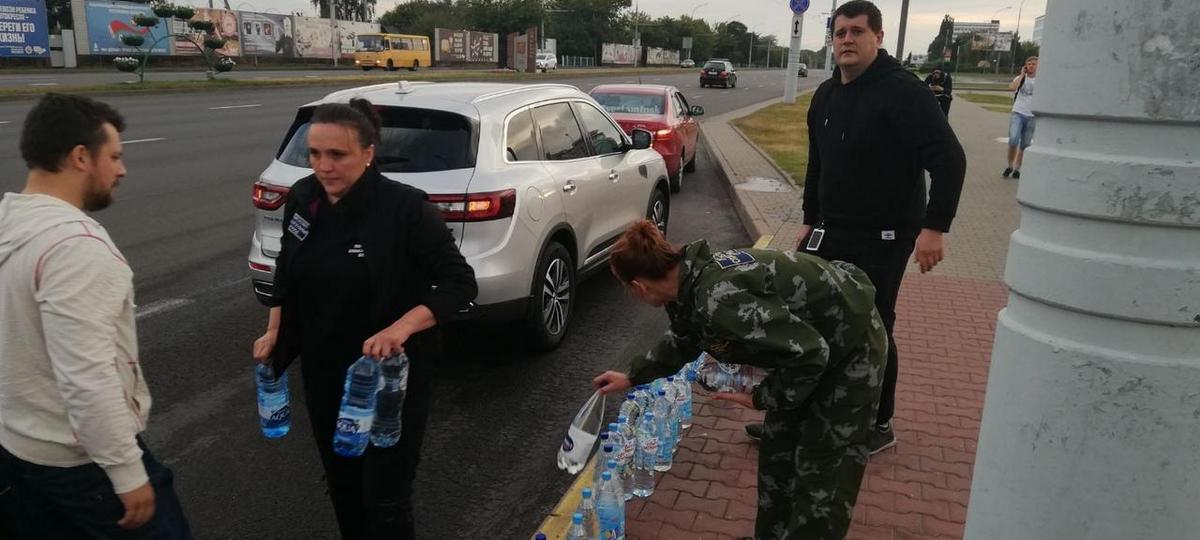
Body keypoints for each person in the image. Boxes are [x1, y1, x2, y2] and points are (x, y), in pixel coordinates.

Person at [251, 98, 477, 539]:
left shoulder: (405, 209)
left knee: (385, 495)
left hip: (387, 378)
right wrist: (275, 330)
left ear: (368, 153)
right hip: (323, 369)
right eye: (315, 153)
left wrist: (400, 329)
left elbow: (459, 284)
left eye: (338, 155)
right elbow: (287, 269)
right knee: (343, 483)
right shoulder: (304, 198)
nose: (324, 166)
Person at [592, 221, 887, 540]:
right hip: (804, 355)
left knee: (823, 471)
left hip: (850, 349)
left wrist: (761, 398)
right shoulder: (686, 285)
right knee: (778, 457)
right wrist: (632, 377)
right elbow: (683, 339)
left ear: (638, 287)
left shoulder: (719, 299)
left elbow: (812, 353)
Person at [767, 0, 966, 455]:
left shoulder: (903, 92)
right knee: (811, 319)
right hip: (831, 229)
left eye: (857, 31)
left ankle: (878, 422)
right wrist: (809, 219)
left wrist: (935, 228)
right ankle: (805, 413)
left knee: (873, 325)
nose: (847, 40)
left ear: (877, 36)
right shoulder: (826, 95)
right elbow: (818, 164)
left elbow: (950, 159)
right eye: (840, 33)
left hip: (884, 237)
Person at [0, 93, 192, 538]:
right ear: (81, 157)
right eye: (115, 157)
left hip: (17, 448)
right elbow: (87, 374)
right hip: (81, 465)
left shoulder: (10, 222)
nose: (122, 170)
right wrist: (126, 472)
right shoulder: (76, 248)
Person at [1004, 56, 1038, 179]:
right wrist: (1022, 75)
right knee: (1013, 139)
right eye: (1029, 64)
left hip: (1032, 116)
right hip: (1018, 112)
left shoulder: (1041, 81)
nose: (1031, 66)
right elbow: (1012, 87)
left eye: (1034, 64)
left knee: (1025, 144)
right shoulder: (1020, 78)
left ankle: (1017, 169)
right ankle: (1010, 166)